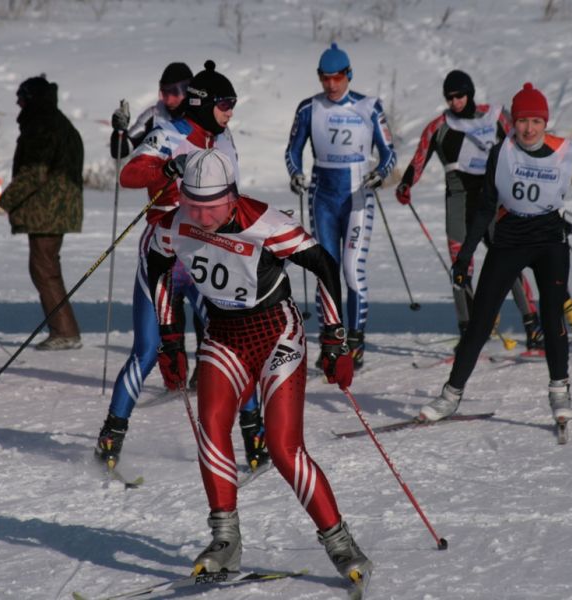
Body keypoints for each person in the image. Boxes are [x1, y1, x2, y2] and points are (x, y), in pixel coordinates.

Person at [146, 148, 371, 584]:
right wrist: (169, 341)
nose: (201, 216)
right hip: (224, 336)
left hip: (276, 335)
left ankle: (341, 543)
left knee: (285, 449)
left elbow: (324, 266)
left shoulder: (265, 224)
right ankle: (225, 538)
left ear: (231, 198)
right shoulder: (176, 224)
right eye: (192, 205)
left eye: (210, 207)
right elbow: (156, 269)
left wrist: (336, 340)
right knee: (211, 428)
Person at [419, 82, 572, 426]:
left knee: (551, 318)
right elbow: (486, 208)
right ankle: (450, 395)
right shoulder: (500, 152)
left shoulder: (564, 149)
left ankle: (559, 390)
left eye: (535, 121)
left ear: (545, 122)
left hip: (549, 241)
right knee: (480, 321)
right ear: (512, 122)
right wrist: (464, 256)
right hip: (509, 239)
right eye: (522, 121)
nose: (529, 129)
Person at [96, 61, 268, 473]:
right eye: (226, 103)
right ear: (205, 103)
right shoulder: (169, 133)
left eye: (234, 103)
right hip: (163, 253)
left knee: (233, 344)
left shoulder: (225, 142)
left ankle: (255, 438)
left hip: (207, 255)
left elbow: (232, 197)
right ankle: (110, 439)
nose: (231, 111)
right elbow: (131, 174)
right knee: (148, 350)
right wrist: (169, 167)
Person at [394, 69, 547, 350]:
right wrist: (406, 184)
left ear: (470, 93)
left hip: (495, 199)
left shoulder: (496, 116)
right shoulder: (439, 125)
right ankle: (468, 332)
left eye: (460, 96)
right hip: (459, 202)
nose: (455, 102)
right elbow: (420, 158)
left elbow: (524, 143)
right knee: (460, 267)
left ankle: (532, 325)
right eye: (450, 98)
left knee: (508, 263)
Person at [285, 42, 397, 369]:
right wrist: (295, 174)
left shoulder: (369, 107)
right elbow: (293, 150)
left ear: (348, 75)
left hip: (357, 196)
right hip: (322, 195)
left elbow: (389, 153)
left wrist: (380, 174)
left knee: (351, 270)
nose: (331, 85)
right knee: (325, 271)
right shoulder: (309, 108)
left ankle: (356, 342)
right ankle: (331, 343)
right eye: (325, 79)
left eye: (337, 78)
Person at [110, 61, 206, 388]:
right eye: (165, 92)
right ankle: (174, 374)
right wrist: (119, 128)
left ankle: (208, 369)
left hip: (199, 221)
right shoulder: (154, 116)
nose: (170, 99)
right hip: (162, 217)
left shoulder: (203, 117)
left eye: (177, 91)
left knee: (204, 294)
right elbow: (122, 150)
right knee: (170, 297)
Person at [0, 75, 83, 351]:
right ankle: (63, 329)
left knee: (44, 268)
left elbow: (34, 171)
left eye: (21, 97)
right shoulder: (54, 121)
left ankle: (65, 332)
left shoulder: (43, 125)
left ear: (32, 99)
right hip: (54, 208)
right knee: (44, 266)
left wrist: (4, 201)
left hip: (49, 210)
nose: (18, 102)